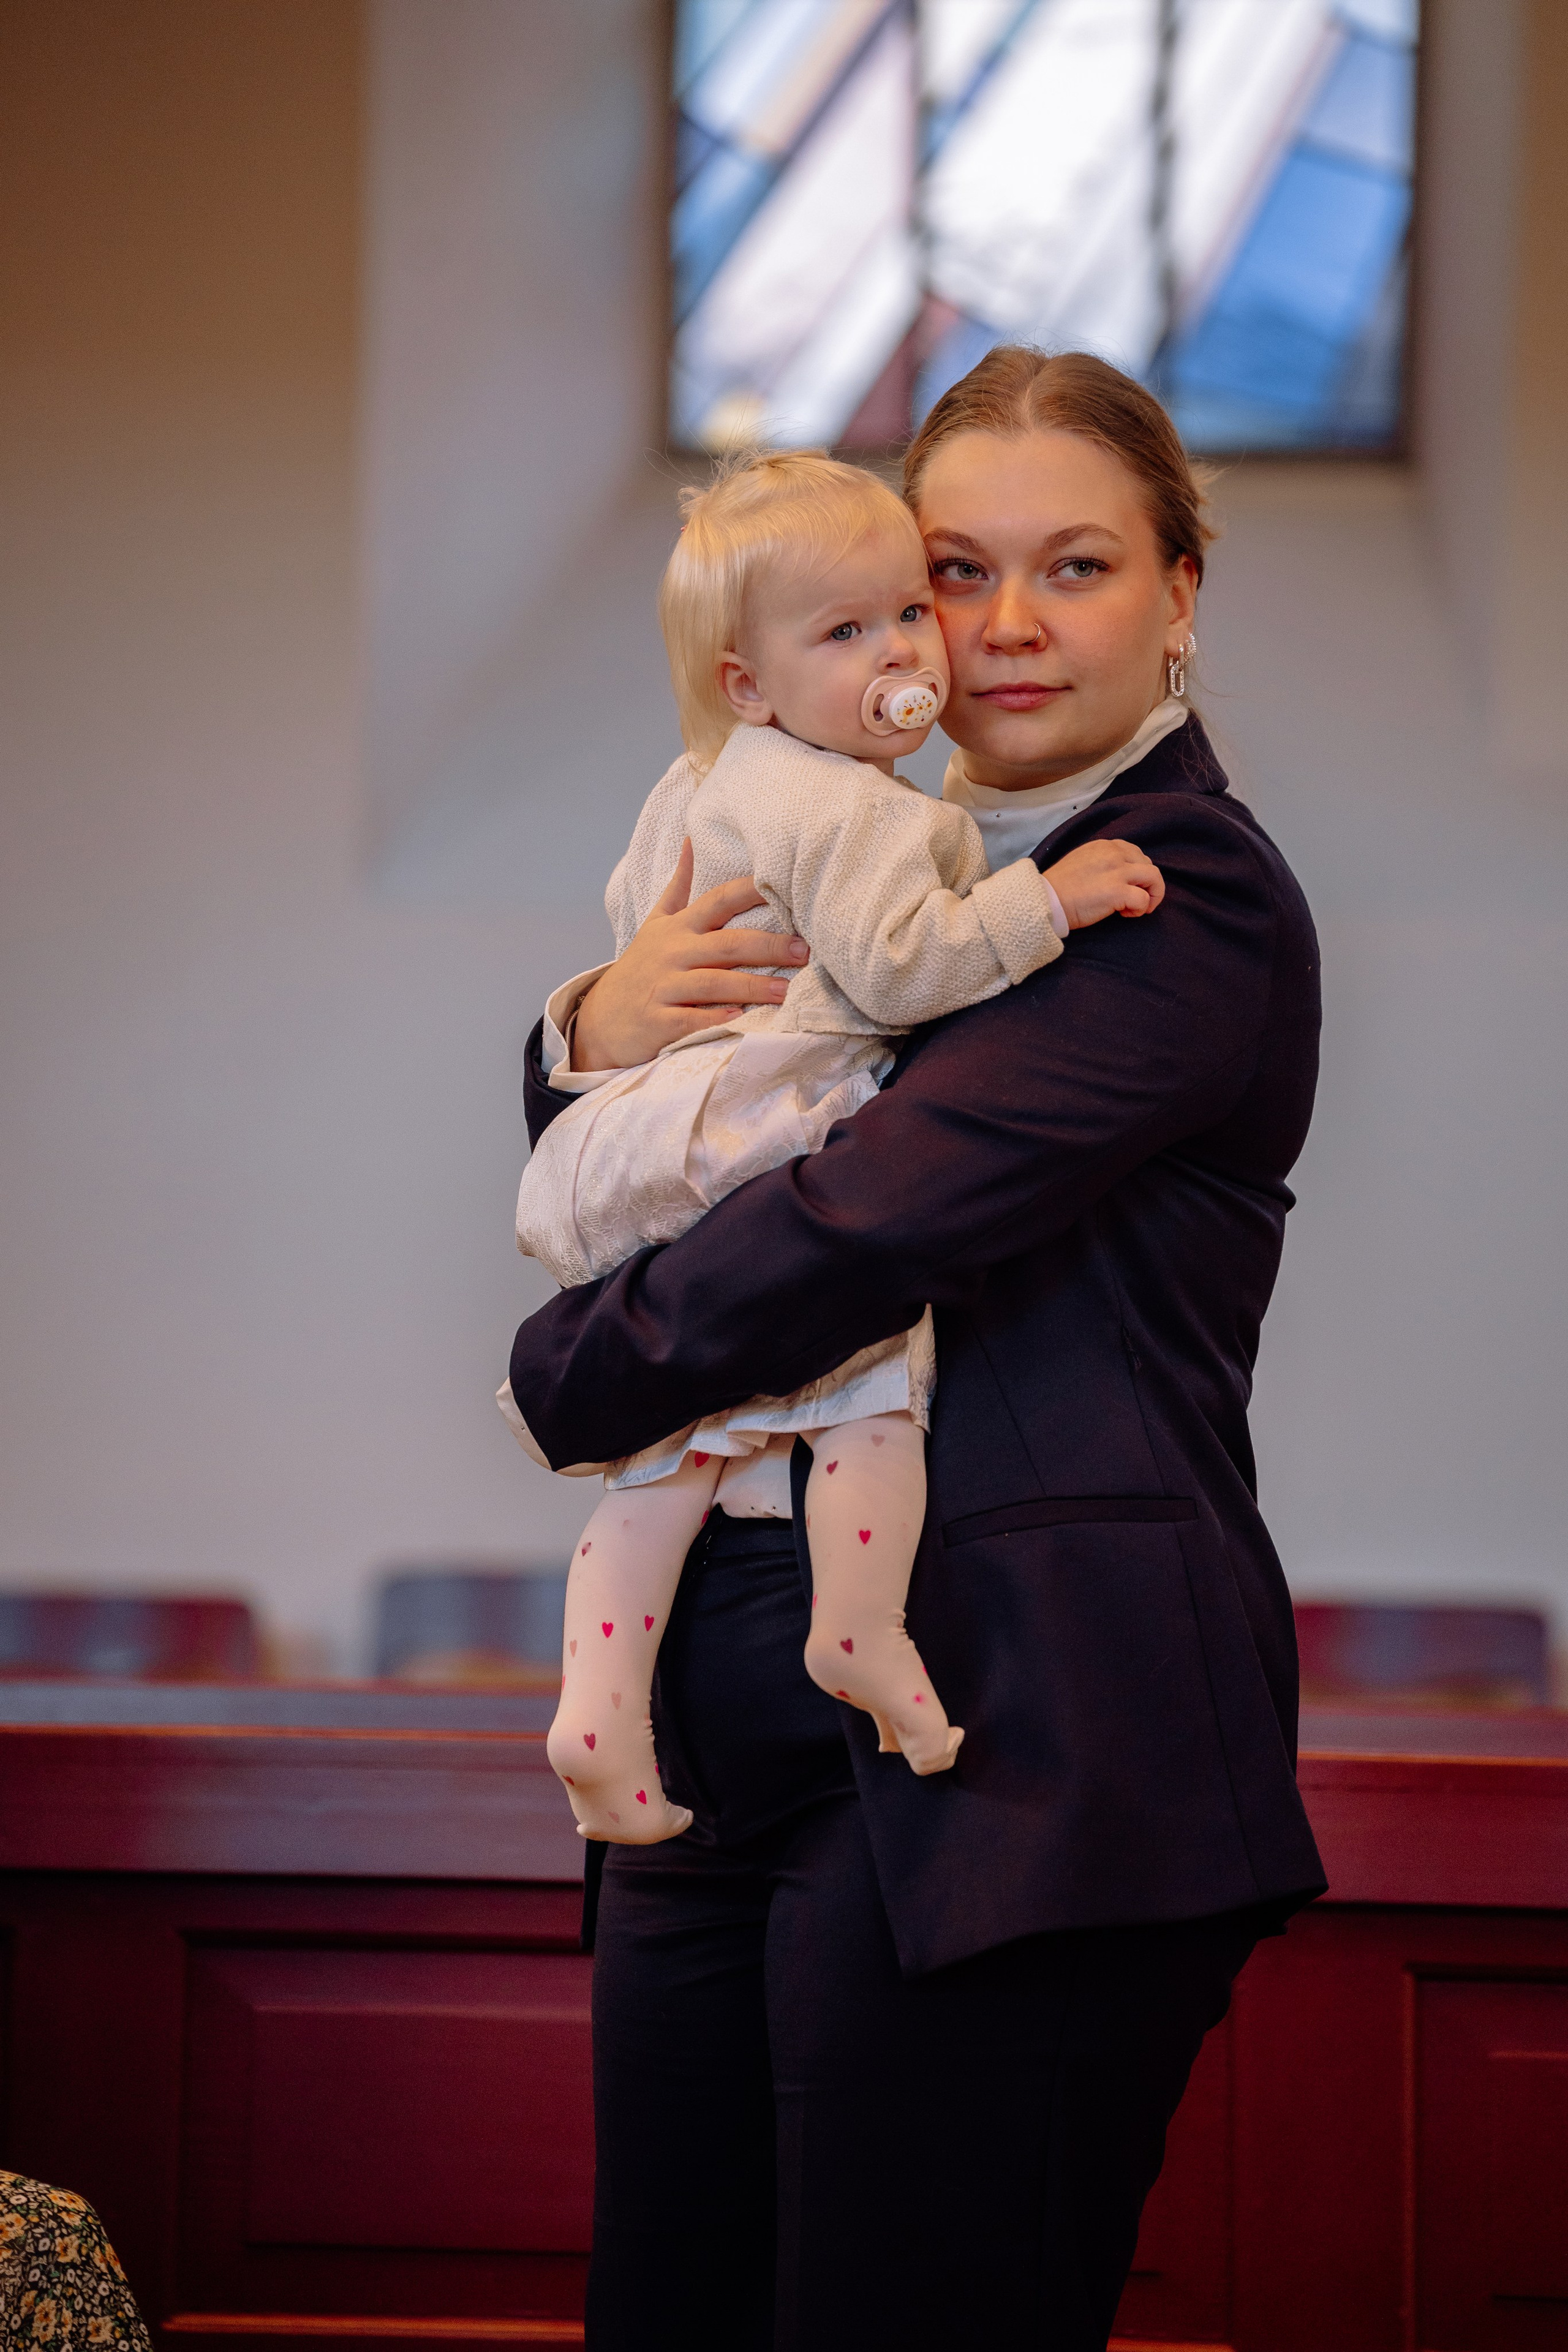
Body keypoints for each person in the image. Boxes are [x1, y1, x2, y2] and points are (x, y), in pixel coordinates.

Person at [507, 347, 1327, 2351]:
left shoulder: (1181, 895)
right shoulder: (856, 853)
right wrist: (584, 1032)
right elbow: (662, 1147)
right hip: (732, 1723)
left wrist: (565, 1372)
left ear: (1181, 592)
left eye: (1081, 565)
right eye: (960, 569)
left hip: (1025, 1733)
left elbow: (875, 1208)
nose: (1011, 623)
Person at [509, 448, 1164, 1836]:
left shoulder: (694, 778)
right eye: (854, 627)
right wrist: (1046, 903)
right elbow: (901, 973)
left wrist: (609, 1019)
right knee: (871, 1388)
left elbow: (640, 918)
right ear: (751, 679)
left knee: (674, 1456)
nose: (917, 648)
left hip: (641, 1141)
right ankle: (858, 1624)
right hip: (767, 1117)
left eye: (902, 612)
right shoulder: (859, 804)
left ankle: (594, 1703)